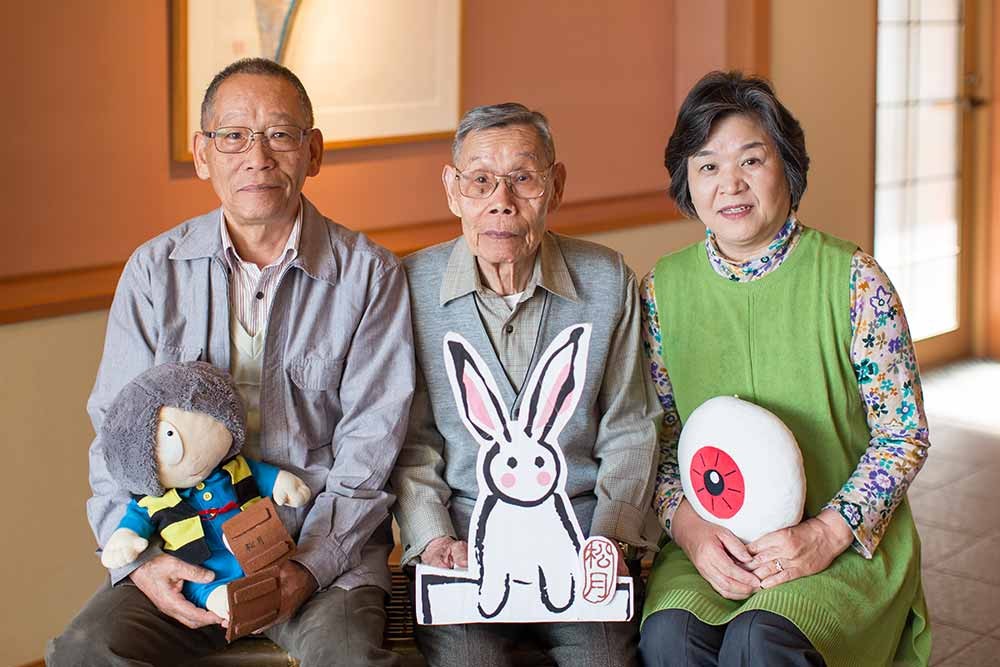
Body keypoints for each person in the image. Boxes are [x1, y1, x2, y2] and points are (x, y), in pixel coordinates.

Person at [47, 58, 414, 667]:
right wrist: (145, 563)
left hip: (321, 557)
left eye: (280, 134)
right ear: (202, 153)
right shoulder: (154, 272)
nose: (257, 157)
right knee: (85, 651)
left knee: (350, 660)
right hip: (184, 552)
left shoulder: (369, 275)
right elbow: (117, 433)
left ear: (313, 152)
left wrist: (308, 565)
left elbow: (371, 449)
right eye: (234, 136)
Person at [637, 71, 931, 666]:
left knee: (760, 641)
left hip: (839, 543)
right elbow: (659, 440)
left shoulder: (854, 281)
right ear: (687, 181)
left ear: (788, 169)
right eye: (708, 166)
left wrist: (825, 534)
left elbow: (903, 436)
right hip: (713, 542)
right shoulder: (661, 291)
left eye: (751, 160)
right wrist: (691, 530)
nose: (731, 184)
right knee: (670, 637)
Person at [391, 102, 662, 667]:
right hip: (464, 545)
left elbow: (630, 428)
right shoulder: (409, 288)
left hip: (581, 537)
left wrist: (611, 539)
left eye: (523, 179)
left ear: (555, 186)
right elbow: (411, 442)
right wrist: (433, 538)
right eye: (480, 181)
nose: (502, 201)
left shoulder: (607, 280)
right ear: (452, 190)